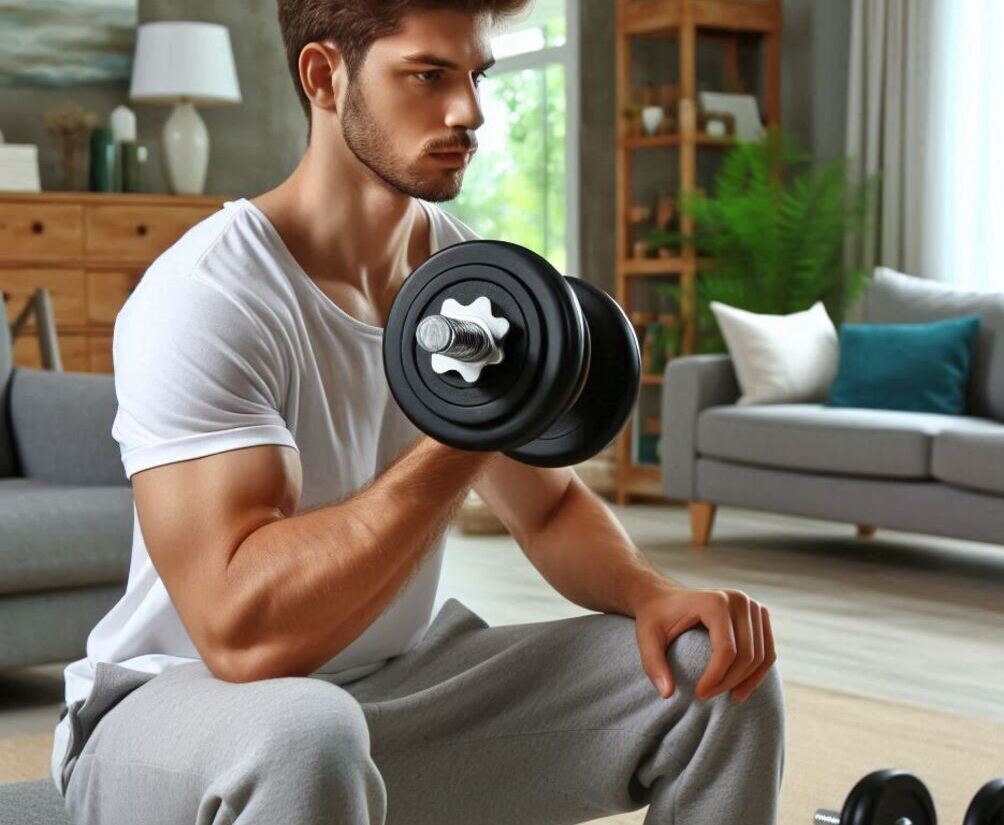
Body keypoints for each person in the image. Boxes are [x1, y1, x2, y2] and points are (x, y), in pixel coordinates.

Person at [51, 1, 784, 822]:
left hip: (385, 701)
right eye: (429, 75)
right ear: (325, 77)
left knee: (716, 673)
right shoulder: (210, 295)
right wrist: (469, 429)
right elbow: (238, 630)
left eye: (476, 76)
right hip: (178, 717)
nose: (469, 110)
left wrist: (650, 592)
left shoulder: (468, 275)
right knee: (304, 733)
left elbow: (548, 510)